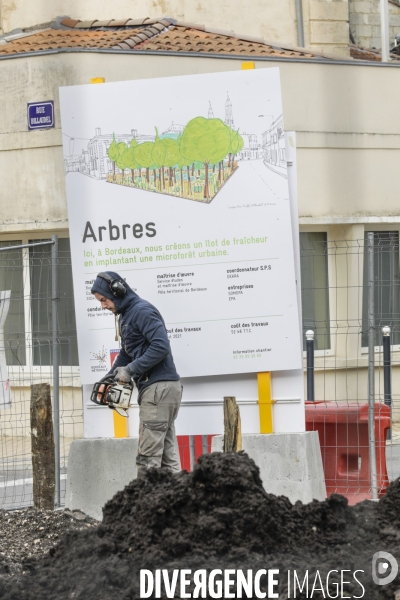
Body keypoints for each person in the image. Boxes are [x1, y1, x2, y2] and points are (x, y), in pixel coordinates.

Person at [91, 271, 182, 478]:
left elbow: (161, 347)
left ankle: (145, 507)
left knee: (148, 460)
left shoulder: (141, 311)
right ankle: (183, 506)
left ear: (117, 291)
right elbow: (127, 352)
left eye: (104, 300)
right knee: (168, 460)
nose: (103, 306)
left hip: (158, 390)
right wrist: (109, 377)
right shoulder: (127, 315)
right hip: (161, 390)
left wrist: (131, 370)